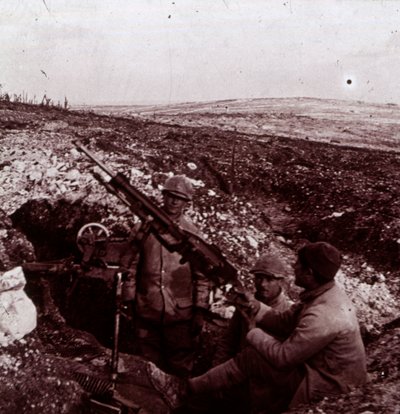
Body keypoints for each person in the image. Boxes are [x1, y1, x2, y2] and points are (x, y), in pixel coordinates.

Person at [148, 241, 367, 413]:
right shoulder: (321, 296)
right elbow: (283, 322)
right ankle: (188, 389)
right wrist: (251, 304)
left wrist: (253, 330)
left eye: (298, 265)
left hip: (331, 386)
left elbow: (284, 357)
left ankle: (183, 389)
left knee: (253, 359)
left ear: (309, 273)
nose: (294, 268)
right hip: (322, 372)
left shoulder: (324, 313)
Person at [124, 175, 211, 377]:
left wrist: (200, 310)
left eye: (179, 198)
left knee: (180, 368)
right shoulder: (144, 228)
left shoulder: (193, 235)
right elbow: (131, 266)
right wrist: (128, 299)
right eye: (170, 196)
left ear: (186, 203)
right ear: (163, 196)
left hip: (179, 316)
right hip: (147, 310)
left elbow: (202, 276)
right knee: (148, 368)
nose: (173, 201)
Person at [213, 253, 293, 365]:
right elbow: (229, 340)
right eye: (259, 278)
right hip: (240, 368)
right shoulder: (246, 305)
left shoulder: (288, 312)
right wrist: (218, 367)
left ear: (281, 282)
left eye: (269, 279)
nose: (263, 284)